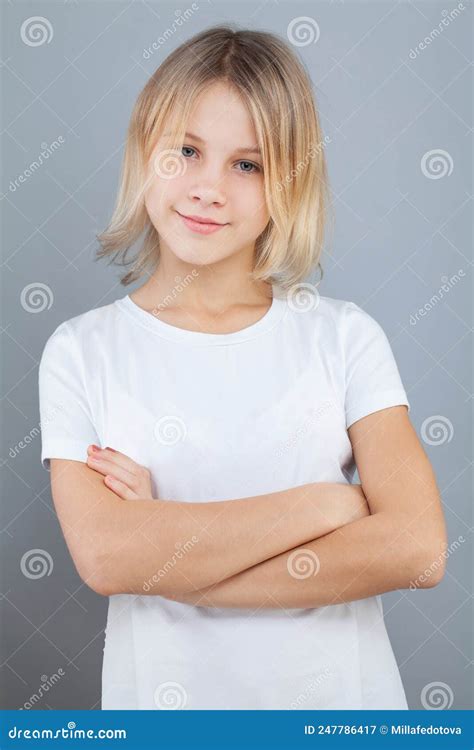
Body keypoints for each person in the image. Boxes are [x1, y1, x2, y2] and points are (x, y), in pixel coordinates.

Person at [38, 25, 447, 711]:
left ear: (288, 181)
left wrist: (169, 550)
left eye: (247, 165)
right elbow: (109, 558)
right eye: (187, 152)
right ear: (146, 152)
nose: (208, 188)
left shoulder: (344, 338)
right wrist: (328, 506)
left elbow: (416, 548)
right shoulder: (82, 352)